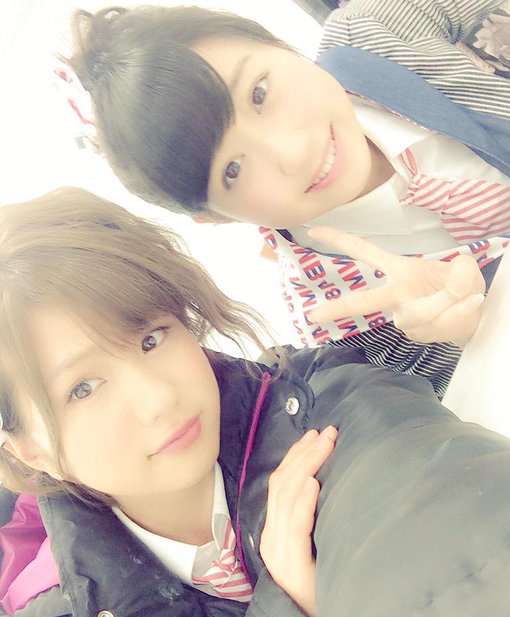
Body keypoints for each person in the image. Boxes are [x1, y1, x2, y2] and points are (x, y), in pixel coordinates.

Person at [1, 188, 510, 617]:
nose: (158, 399)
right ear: (31, 451)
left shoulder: (319, 407)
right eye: (83, 389)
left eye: (152, 338)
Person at [62, 1, 510, 398]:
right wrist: (464, 334)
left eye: (259, 93)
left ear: (277, 44)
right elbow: (452, 401)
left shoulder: (380, 31)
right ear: (215, 218)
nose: (292, 153)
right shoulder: (335, 310)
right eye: (233, 169)